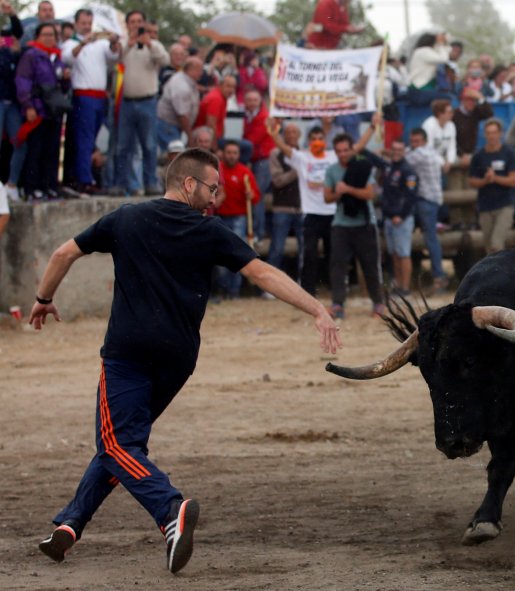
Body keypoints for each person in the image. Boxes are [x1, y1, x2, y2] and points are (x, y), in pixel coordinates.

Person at [31, 148, 340, 575]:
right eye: (213, 188)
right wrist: (317, 309)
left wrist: (43, 299)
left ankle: (169, 509)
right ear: (189, 183)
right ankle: (70, 523)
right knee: (125, 443)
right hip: (177, 359)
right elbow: (263, 274)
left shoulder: (127, 218)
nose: (216, 198)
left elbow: (64, 254)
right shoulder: (208, 231)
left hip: (128, 353)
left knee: (116, 444)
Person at [267, 119, 338, 296]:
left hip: (330, 211)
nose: (317, 141)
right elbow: (282, 148)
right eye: (314, 138)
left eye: (320, 137)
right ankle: (307, 291)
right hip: (308, 212)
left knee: (333, 254)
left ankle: (335, 288)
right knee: (308, 254)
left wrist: (373, 127)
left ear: (325, 140)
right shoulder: (302, 157)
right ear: (309, 140)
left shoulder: (333, 156)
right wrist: (274, 133)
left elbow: (356, 149)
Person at [323, 130, 383, 318]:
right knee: (338, 265)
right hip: (341, 224)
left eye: (345, 150)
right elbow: (327, 197)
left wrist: (347, 188)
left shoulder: (362, 166)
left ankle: (378, 303)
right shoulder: (332, 170)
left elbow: (369, 194)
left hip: (365, 223)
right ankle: (338, 304)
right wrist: (339, 193)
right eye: (339, 151)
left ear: (352, 150)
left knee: (370, 265)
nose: (342, 154)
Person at [61, 8, 120, 194]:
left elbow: (114, 56)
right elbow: (68, 58)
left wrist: (113, 41)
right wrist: (84, 43)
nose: (87, 27)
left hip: (100, 97)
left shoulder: (100, 43)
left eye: (89, 23)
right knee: (84, 139)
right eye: (83, 23)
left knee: (91, 139)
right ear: (76, 24)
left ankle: (85, 177)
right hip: (83, 95)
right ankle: (84, 179)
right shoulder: (71, 43)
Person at [112, 11, 168, 196]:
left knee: (149, 146)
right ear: (127, 25)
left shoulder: (153, 45)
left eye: (139, 21)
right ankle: (120, 184)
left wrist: (149, 43)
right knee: (122, 147)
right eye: (132, 22)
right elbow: (115, 60)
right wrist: (129, 45)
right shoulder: (123, 45)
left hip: (147, 102)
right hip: (126, 102)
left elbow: (164, 60)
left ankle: (150, 183)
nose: (135, 25)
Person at [16, 22, 68, 201]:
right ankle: (31, 187)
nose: (49, 38)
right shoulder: (31, 55)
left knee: (51, 151)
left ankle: (48, 186)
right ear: (38, 36)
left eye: (52, 35)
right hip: (38, 110)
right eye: (45, 35)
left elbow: (61, 86)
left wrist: (66, 78)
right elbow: (23, 81)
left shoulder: (56, 57)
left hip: (53, 111)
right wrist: (28, 105)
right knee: (35, 150)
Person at [364, 134, 418, 294]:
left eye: (399, 150)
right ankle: (398, 286)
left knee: (404, 254)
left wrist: (400, 216)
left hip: (401, 219)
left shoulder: (408, 171)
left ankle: (406, 288)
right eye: (393, 149)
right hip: (389, 218)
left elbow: (411, 197)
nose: (396, 152)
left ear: (404, 151)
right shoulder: (389, 168)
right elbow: (372, 158)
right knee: (394, 254)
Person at [214, 141, 260, 298]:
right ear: (223, 153)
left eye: (234, 153)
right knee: (220, 256)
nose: (231, 155)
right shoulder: (217, 170)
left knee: (236, 256)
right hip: (220, 218)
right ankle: (222, 289)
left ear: (239, 155)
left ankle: (234, 291)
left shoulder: (245, 172)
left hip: (239, 218)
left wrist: (251, 195)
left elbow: (256, 196)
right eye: (229, 152)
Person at [405, 127, 448, 292]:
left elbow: (401, 159)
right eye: (412, 141)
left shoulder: (420, 154)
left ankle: (439, 277)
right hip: (430, 200)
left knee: (430, 239)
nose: (414, 144)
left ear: (423, 141)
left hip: (425, 200)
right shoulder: (431, 152)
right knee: (430, 238)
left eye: (417, 141)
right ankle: (438, 277)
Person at [469, 119, 515, 254]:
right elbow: (472, 181)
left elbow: (513, 180)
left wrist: (495, 178)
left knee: (496, 243)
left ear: (500, 134)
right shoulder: (478, 156)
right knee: (488, 245)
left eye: (494, 133)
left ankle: (501, 273)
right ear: (485, 135)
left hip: (505, 204)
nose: (491, 136)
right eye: (488, 133)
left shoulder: (509, 153)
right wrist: (485, 180)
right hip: (485, 205)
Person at [267, 122, 303, 276]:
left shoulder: (306, 154)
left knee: (305, 249)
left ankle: (305, 283)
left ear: (299, 135)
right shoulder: (276, 153)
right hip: (282, 207)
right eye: (288, 132)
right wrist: (298, 170)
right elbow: (277, 181)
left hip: (302, 208)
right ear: (283, 135)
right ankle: (270, 285)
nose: (291, 135)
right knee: (277, 247)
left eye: (294, 132)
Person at [0, 1, 25, 201]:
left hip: (11, 102)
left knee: (20, 141)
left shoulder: (6, 39)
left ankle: (11, 184)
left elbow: (17, 31)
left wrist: (11, 13)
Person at [242, 89, 275, 239]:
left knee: (257, 195)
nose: (252, 103)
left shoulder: (264, 117)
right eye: (249, 100)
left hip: (264, 161)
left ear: (260, 102)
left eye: (255, 100)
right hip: (257, 160)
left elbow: (251, 141)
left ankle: (258, 232)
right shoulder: (249, 116)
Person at [156, 57, 202, 151]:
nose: (202, 73)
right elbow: (182, 115)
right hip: (168, 126)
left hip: (172, 126)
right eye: (200, 69)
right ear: (191, 69)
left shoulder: (185, 80)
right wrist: (190, 137)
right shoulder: (181, 86)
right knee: (173, 156)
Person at [194, 74, 236, 152]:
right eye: (228, 86)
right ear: (220, 85)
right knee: (246, 147)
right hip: (206, 139)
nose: (231, 90)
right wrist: (215, 148)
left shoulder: (222, 97)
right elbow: (210, 124)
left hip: (214, 137)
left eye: (233, 87)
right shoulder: (216, 99)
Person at [452, 87, 493, 165]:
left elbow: (489, 114)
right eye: (469, 100)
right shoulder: (454, 115)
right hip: (456, 154)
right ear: (463, 101)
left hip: (471, 153)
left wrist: (481, 98)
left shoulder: (475, 112)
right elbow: (452, 139)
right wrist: (461, 154)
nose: (471, 103)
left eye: (474, 100)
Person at [421, 98, 456, 171]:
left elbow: (452, 147)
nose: (452, 114)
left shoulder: (451, 125)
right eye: (449, 112)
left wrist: (449, 162)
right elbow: (428, 149)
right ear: (440, 114)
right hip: (427, 159)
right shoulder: (429, 125)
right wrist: (443, 163)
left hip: (443, 158)